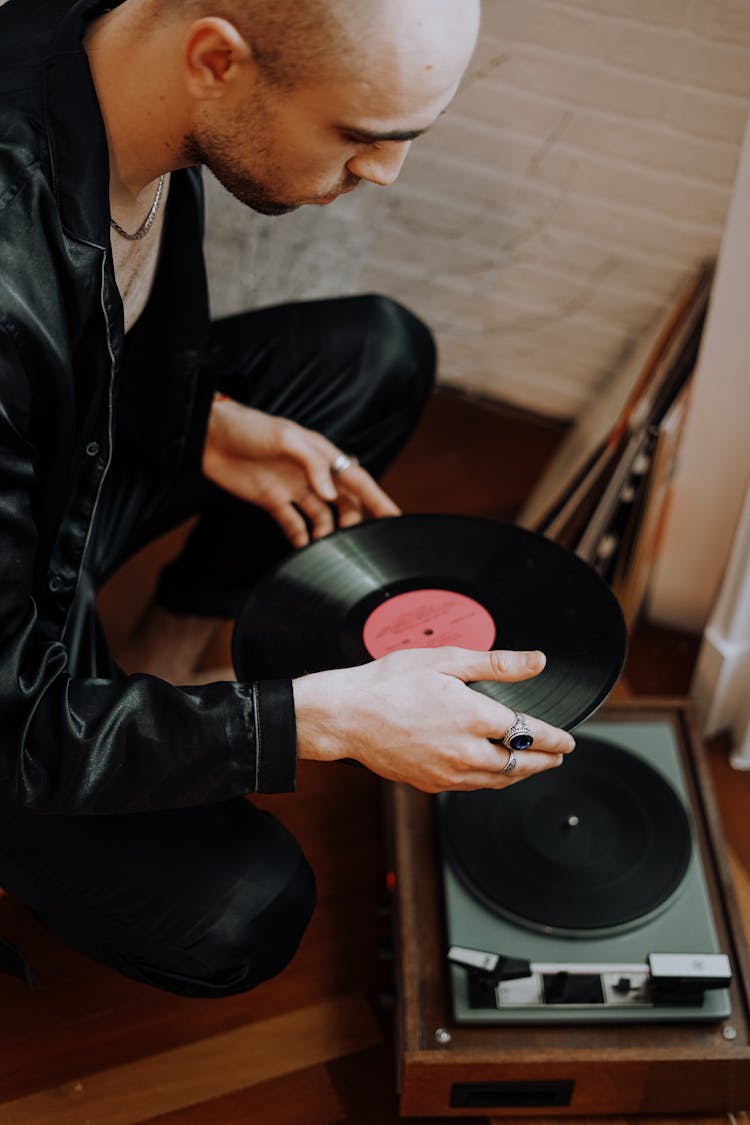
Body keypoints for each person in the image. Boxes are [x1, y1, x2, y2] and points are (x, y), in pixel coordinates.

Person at [0, 0, 575, 998]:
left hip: (47, 489)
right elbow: (12, 729)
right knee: (241, 910)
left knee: (377, 357)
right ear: (216, 59)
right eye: (360, 136)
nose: (387, 173)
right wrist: (324, 719)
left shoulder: (117, 49)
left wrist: (205, 420)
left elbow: (88, 323)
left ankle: (157, 654)